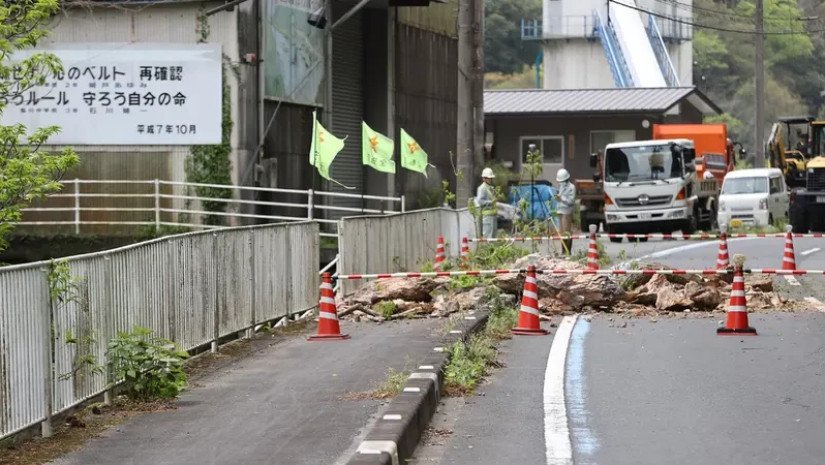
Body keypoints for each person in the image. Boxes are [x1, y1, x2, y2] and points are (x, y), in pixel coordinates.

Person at [555, 168, 576, 255]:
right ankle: (563, 251)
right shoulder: (560, 186)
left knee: (567, 232)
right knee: (562, 232)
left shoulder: (572, 187)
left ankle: (568, 251)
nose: (560, 182)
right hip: (560, 211)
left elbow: (571, 201)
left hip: (567, 212)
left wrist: (562, 198)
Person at [476, 168, 498, 238]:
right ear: (484, 178)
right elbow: (480, 201)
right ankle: (486, 249)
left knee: (493, 237)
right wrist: (491, 202)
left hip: (493, 216)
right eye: (489, 178)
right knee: (488, 237)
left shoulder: (490, 188)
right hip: (487, 217)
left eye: (491, 178)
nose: (490, 179)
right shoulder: (482, 188)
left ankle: (492, 249)